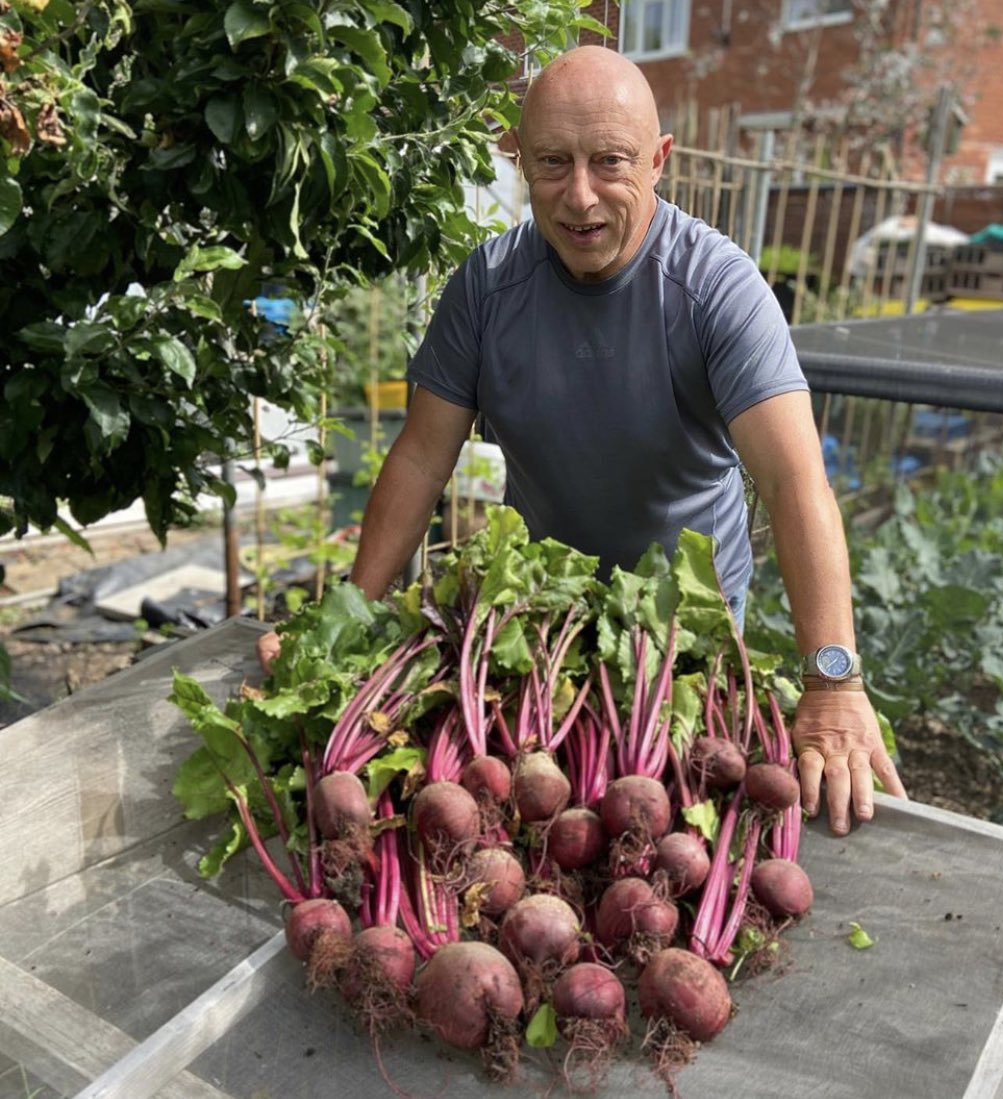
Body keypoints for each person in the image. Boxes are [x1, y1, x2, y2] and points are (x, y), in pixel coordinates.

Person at [257, 45, 907, 835]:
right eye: (553, 164)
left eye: (609, 162)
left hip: (684, 640)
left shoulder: (716, 290)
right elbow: (423, 456)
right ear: (517, 158)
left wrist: (832, 682)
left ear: (659, 161)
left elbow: (794, 481)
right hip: (538, 630)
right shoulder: (487, 289)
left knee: (666, 826)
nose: (580, 195)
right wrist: (351, 617)